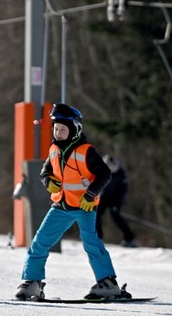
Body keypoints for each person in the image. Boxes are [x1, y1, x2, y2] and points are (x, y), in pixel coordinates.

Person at [15, 104, 131, 301]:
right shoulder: (53, 150)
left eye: (62, 130)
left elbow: (104, 174)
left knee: (91, 244)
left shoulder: (86, 151)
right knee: (39, 242)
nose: (58, 133)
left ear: (75, 130)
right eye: (55, 129)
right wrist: (48, 181)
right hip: (61, 206)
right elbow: (46, 171)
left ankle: (108, 283)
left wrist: (91, 194)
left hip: (85, 207)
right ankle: (32, 282)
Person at [96, 155, 136, 247]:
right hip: (104, 196)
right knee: (97, 214)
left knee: (115, 215)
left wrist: (116, 204)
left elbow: (122, 191)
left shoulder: (120, 173)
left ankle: (129, 238)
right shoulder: (101, 170)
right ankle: (98, 237)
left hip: (115, 197)